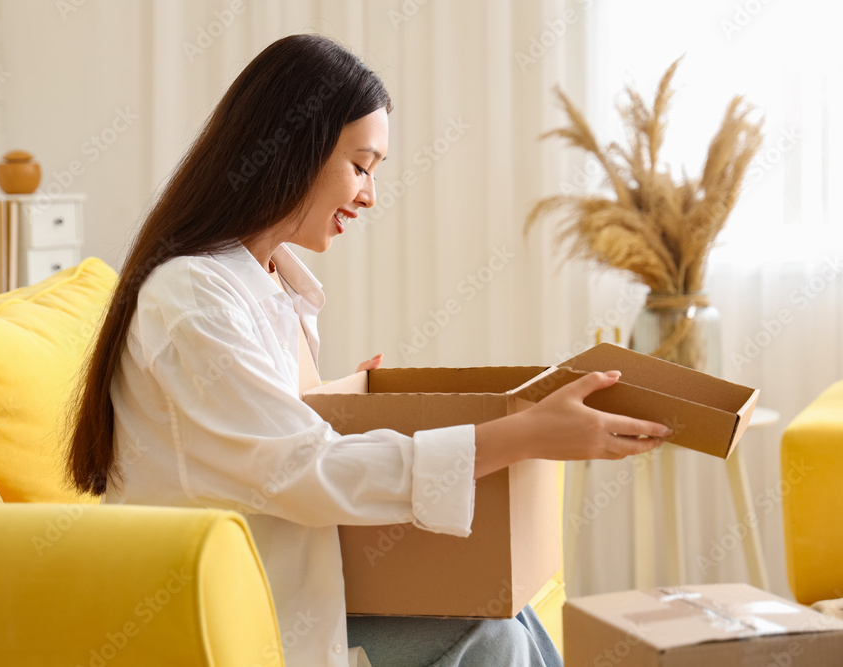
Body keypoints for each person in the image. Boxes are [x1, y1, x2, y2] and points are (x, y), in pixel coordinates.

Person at [67, 33, 670, 667]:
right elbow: (298, 469)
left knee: (504, 609)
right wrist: (521, 435)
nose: (369, 195)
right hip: (229, 610)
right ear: (291, 151)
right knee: (495, 635)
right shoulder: (192, 296)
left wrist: (346, 405)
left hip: (288, 580)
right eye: (361, 166)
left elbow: (270, 439)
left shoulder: (272, 284)